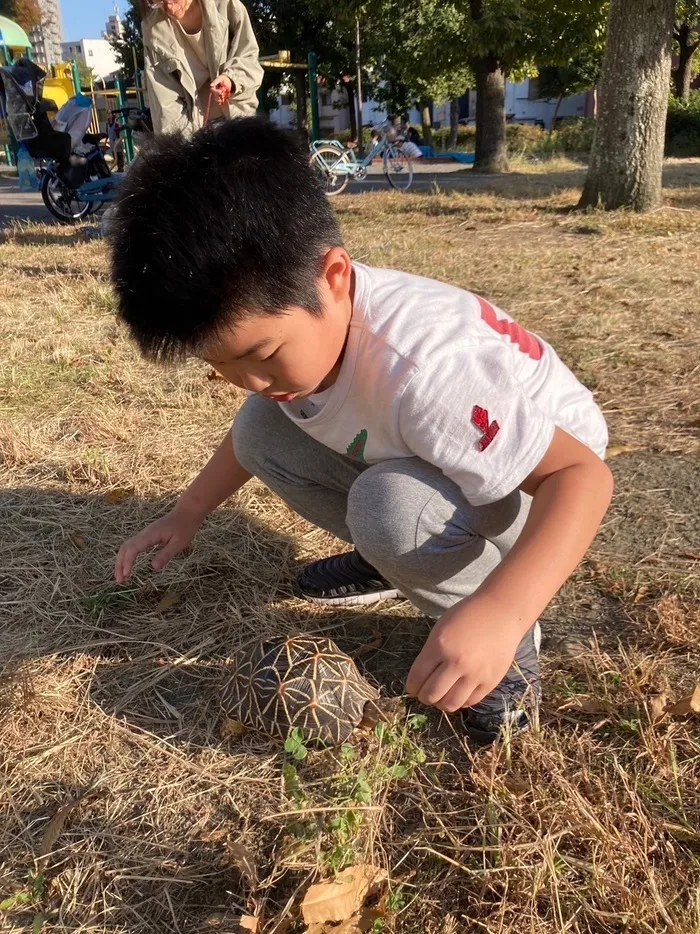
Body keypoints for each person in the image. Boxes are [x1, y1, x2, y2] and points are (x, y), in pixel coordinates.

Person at [109, 118, 613, 745]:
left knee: (390, 510)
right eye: (223, 367)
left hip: (536, 497)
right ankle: (394, 562)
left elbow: (581, 477)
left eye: (264, 354)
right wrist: (186, 512)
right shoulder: (309, 342)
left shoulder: (428, 371)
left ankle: (507, 648)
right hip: (447, 456)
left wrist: (503, 613)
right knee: (262, 430)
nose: (252, 380)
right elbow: (258, 418)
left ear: (335, 276)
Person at [139, 0, 263, 134]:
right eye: (158, 2)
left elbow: (248, 57)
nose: (168, 6)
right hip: (190, 129)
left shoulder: (227, 5)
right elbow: (165, 103)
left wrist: (231, 79)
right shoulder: (153, 29)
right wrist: (184, 147)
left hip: (237, 117)